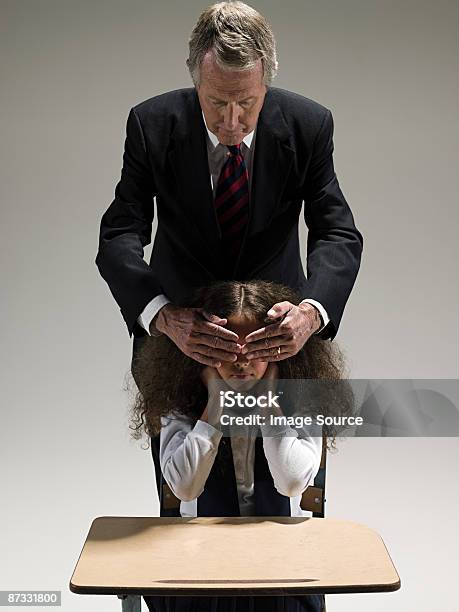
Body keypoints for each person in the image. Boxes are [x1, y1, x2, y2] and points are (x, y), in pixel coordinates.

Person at [96, 0, 362, 505]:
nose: (233, 121)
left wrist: (312, 312)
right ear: (196, 77)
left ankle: (294, 589)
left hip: (282, 341)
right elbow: (119, 236)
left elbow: (337, 232)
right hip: (184, 344)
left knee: (293, 498)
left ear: (267, 82)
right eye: (217, 103)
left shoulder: (309, 124)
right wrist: (162, 316)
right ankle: (182, 589)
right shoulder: (151, 125)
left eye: (248, 102)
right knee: (187, 497)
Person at [129, 280, 349, 612]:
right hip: (200, 567)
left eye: (257, 347)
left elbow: (291, 482)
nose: (241, 360)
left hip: (281, 568)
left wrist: (269, 405)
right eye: (226, 347)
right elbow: (185, 488)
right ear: (201, 347)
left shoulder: (303, 400)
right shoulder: (178, 401)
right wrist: (215, 404)